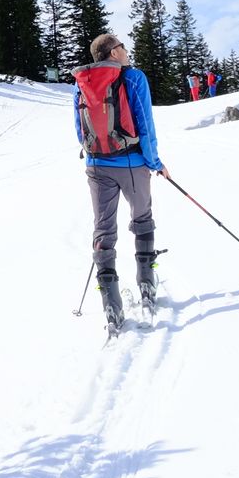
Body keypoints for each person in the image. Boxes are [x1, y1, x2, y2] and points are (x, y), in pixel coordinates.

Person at [72, 33, 167, 334]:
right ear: (113, 53)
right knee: (142, 218)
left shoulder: (82, 82)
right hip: (132, 163)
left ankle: (111, 305)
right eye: (122, 46)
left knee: (103, 230)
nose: (126, 50)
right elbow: (145, 123)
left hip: (96, 165)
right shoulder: (134, 77)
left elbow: (80, 130)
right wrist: (155, 162)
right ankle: (146, 284)